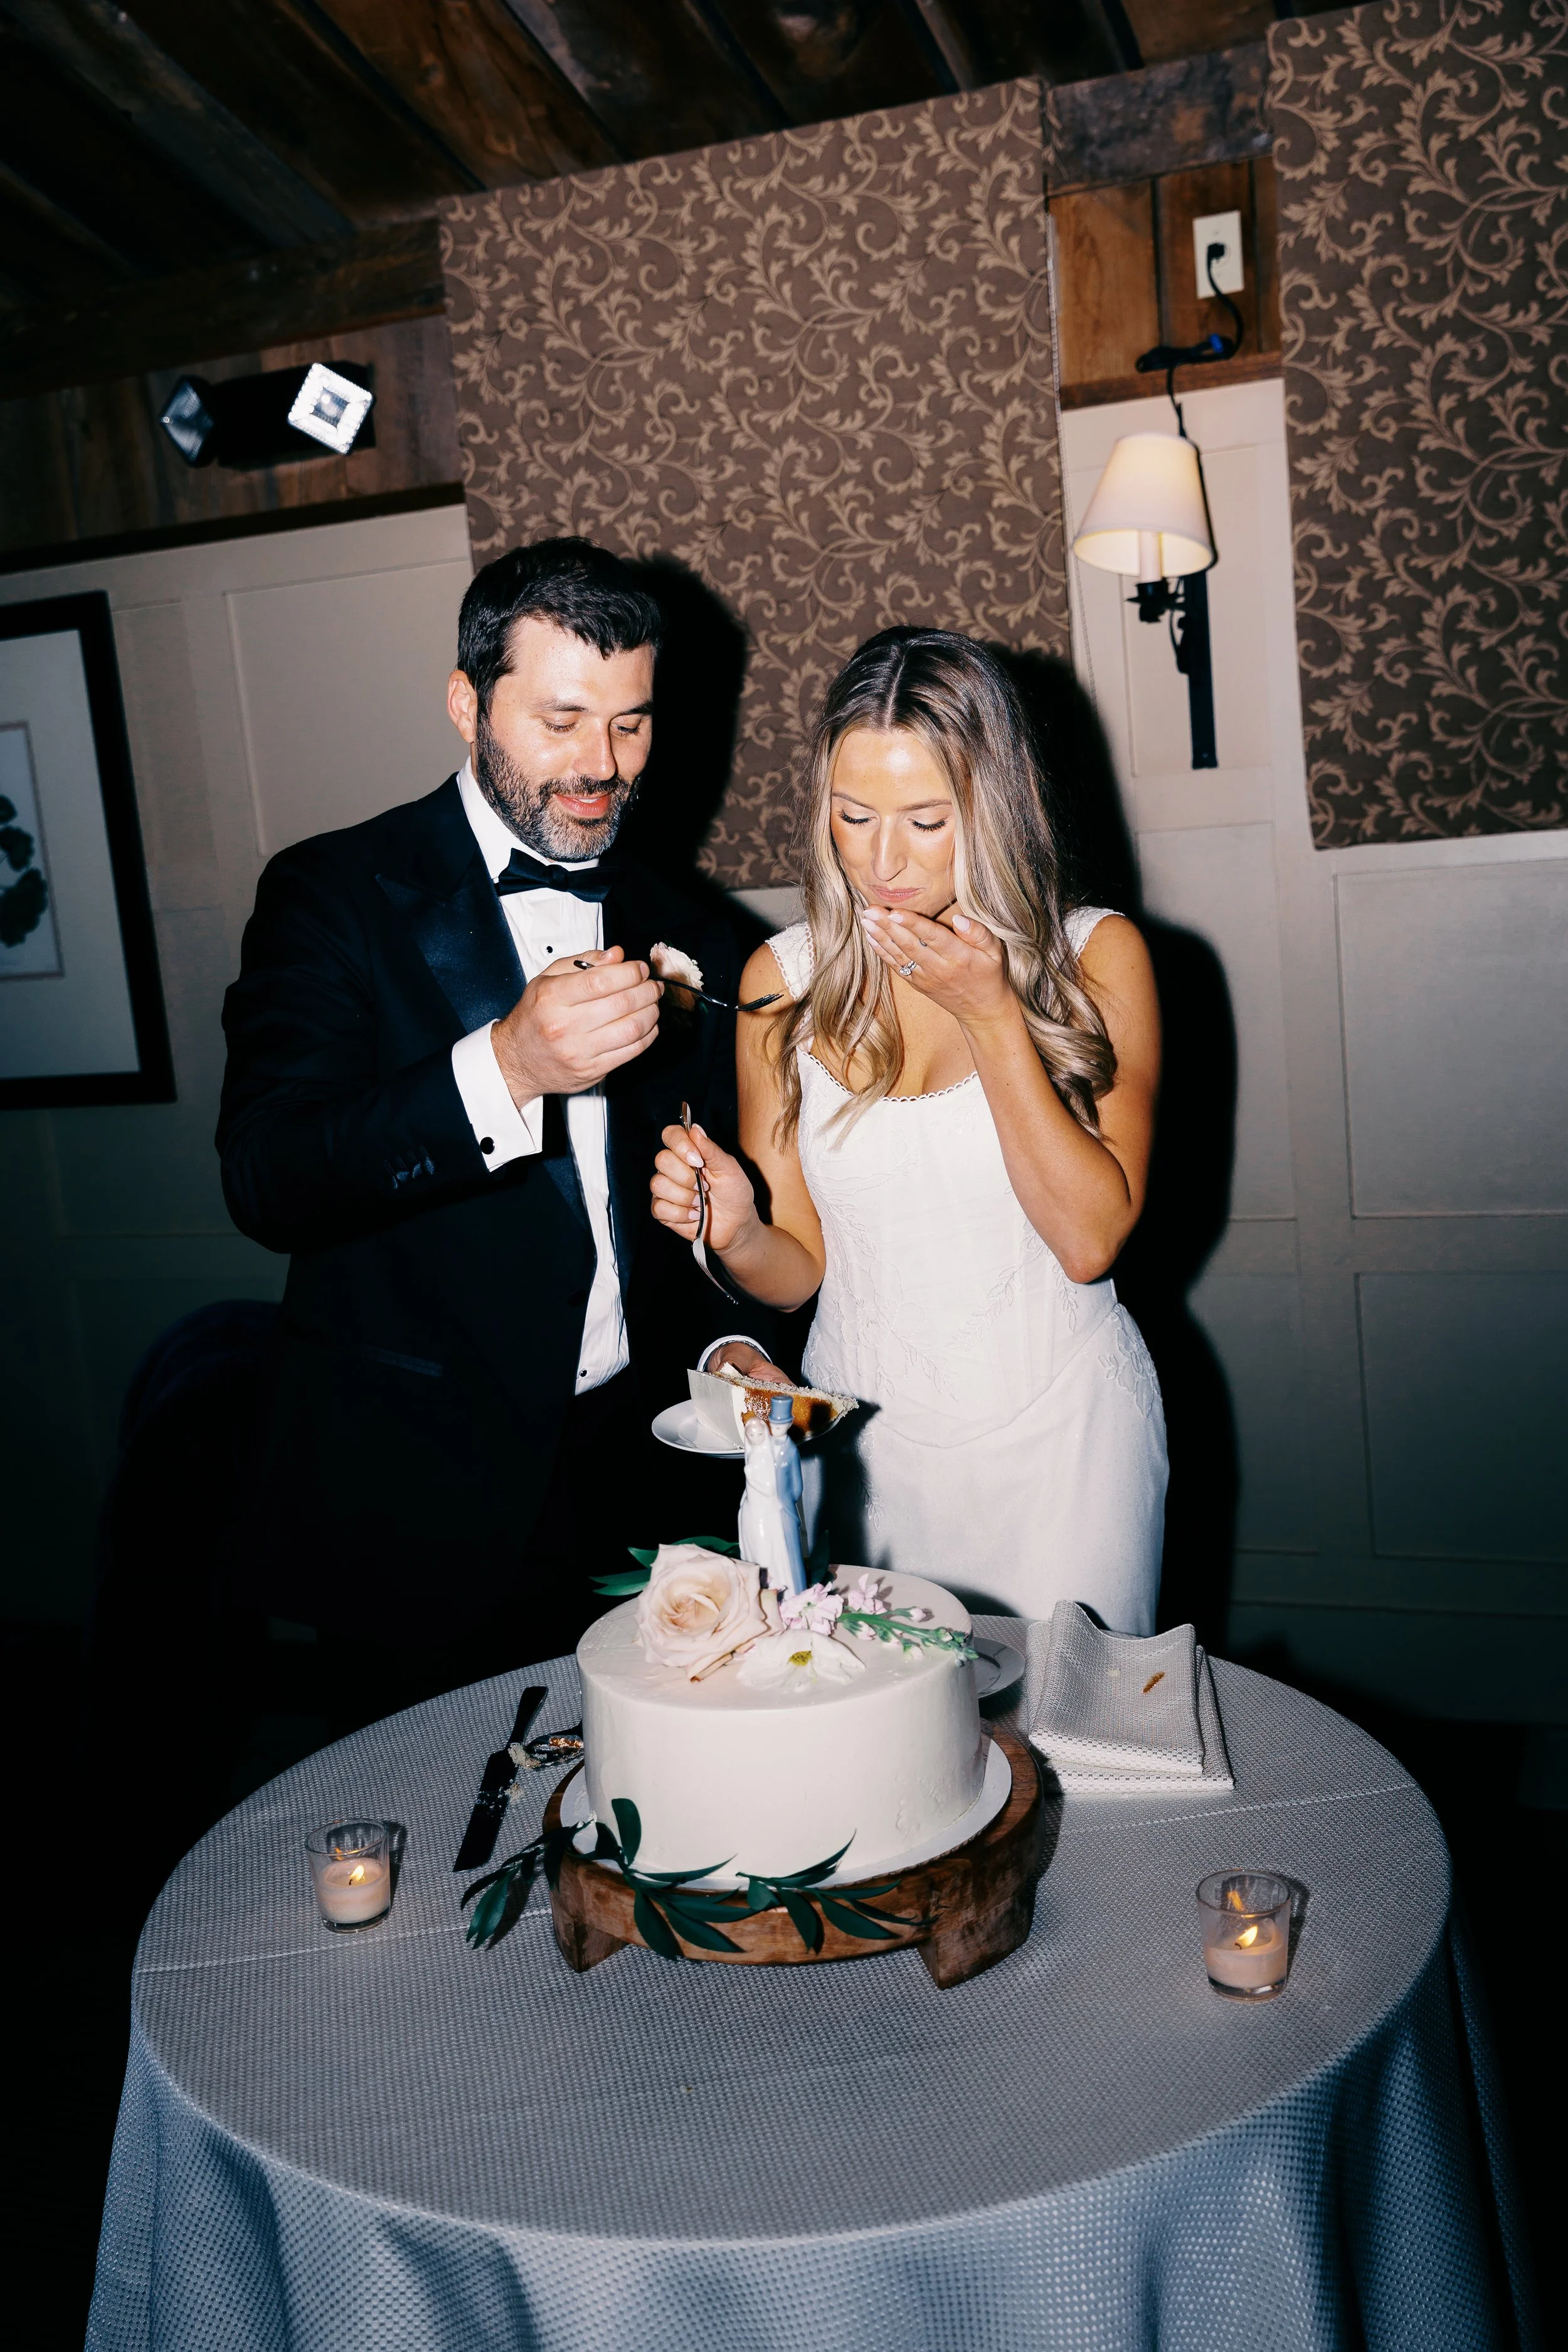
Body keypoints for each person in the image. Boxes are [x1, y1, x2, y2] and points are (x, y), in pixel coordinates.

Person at [218, 537, 779, 1695]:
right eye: (562, 721)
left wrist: (727, 1346)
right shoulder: (331, 895)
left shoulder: (698, 930)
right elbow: (268, 1178)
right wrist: (509, 1067)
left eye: (631, 723)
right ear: (467, 704)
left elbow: (702, 1204)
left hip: (643, 1487)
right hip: (414, 1498)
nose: (602, 766)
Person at [650, 628, 1167, 1631]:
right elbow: (800, 1270)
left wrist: (992, 1014)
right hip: (866, 1456)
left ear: (993, 806)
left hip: (1065, 1448)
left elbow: (1089, 1240)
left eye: (927, 821)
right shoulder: (782, 981)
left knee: (1070, 1726)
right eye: (853, 816)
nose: (882, 860)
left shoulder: (1096, 957)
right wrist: (737, 1228)